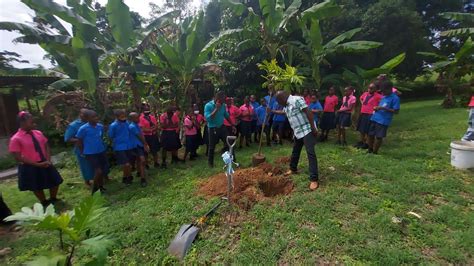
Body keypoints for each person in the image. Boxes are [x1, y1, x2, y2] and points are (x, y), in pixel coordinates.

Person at [9, 111, 63, 206]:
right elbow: (18, 156)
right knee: (36, 185)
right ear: (23, 123)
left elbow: (46, 145)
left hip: (45, 161)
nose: (34, 124)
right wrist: (37, 164)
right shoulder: (16, 139)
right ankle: (44, 201)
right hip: (30, 165)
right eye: (31, 122)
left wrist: (48, 160)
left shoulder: (38, 133)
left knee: (55, 180)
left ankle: (53, 198)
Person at [274, 91, 320, 191]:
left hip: (307, 129)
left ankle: (314, 179)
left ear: (282, 98)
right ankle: (293, 169)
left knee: (310, 153)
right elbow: (284, 112)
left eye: (278, 101)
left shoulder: (296, 100)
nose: (278, 103)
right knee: (295, 151)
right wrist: (273, 111)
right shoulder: (286, 105)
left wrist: (313, 128)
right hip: (298, 131)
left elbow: (308, 112)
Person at [76, 110, 108, 194]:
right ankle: (94, 189)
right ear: (87, 119)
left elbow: (100, 136)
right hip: (90, 152)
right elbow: (79, 141)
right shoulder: (83, 129)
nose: (96, 118)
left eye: (96, 116)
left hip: (100, 150)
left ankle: (101, 187)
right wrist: (82, 152)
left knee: (101, 170)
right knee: (98, 171)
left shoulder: (99, 126)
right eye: (93, 117)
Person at [367, 79, 400, 154]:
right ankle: (370, 150)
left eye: (384, 91)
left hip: (383, 120)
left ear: (390, 89)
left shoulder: (395, 98)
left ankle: (375, 152)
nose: (383, 92)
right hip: (375, 117)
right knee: (370, 134)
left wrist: (383, 108)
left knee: (379, 137)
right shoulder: (384, 96)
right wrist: (377, 108)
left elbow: (396, 111)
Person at [204, 91, 236, 168]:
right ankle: (210, 164)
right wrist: (216, 109)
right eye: (222, 100)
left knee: (230, 143)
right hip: (212, 128)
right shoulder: (208, 106)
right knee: (211, 147)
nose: (223, 102)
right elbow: (208, 118)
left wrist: (232, 125)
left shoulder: (223, 105)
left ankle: (233, 160)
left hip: (222, 127)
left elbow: (226, 115)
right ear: (217, 98)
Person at [64, 108, 95, 187]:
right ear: (80, 115)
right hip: (82, 148)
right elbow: (67, 138)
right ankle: (87, 181)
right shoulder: (73, 125)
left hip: (94, 147)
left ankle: (99, 178)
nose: (87, 117)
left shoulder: (91, 122)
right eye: (85, 116)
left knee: (95, 163)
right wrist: (80, 139)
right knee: (85, 165)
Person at [108, 109, 134, 185]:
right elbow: (110, 136)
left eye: (124, 116)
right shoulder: (113, 125)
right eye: (121, 116)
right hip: (119, 147)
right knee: (126, 164)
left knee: (128, 163)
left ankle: (125, 177)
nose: (123, 118)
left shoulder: (127, 123)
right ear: (117, 117)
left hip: (128, 146)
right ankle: (128, 177)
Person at [355, 83, 383, 149]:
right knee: (361, 129)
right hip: (363, 113)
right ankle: (362, 142)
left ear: (376, 89)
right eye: (369, 88)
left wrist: (376, 107)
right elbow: (361, 98)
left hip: (370, 114)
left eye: (371, 88)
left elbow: (381, 104)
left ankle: (367, 143)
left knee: (368, 130)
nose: (369, 89)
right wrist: (363, 104)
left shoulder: (378, 96)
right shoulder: (365, 94)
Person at [128, 112, 150, 187]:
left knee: (141, 160)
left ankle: (142, 177)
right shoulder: (132, 127)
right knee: (140, 160)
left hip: (138, 145)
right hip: (135, 146)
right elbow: (139, 136)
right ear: (132, 119)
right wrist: (145, 144)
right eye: (136, 118)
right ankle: (137, 177)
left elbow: (141, 134)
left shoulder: (137, 125)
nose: (138, 119)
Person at [139, 103, 161, 169]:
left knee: (155, 150)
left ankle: (156, 163)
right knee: (146, 151)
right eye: (145, 109)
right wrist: (150, 129)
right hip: (146, 136)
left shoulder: (152, 117)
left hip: (153, 135)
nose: (147, 110)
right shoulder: (140, 118)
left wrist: (152, 129)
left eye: (148, 109)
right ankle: (146, 164)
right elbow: (142, 128)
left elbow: (156, 125)